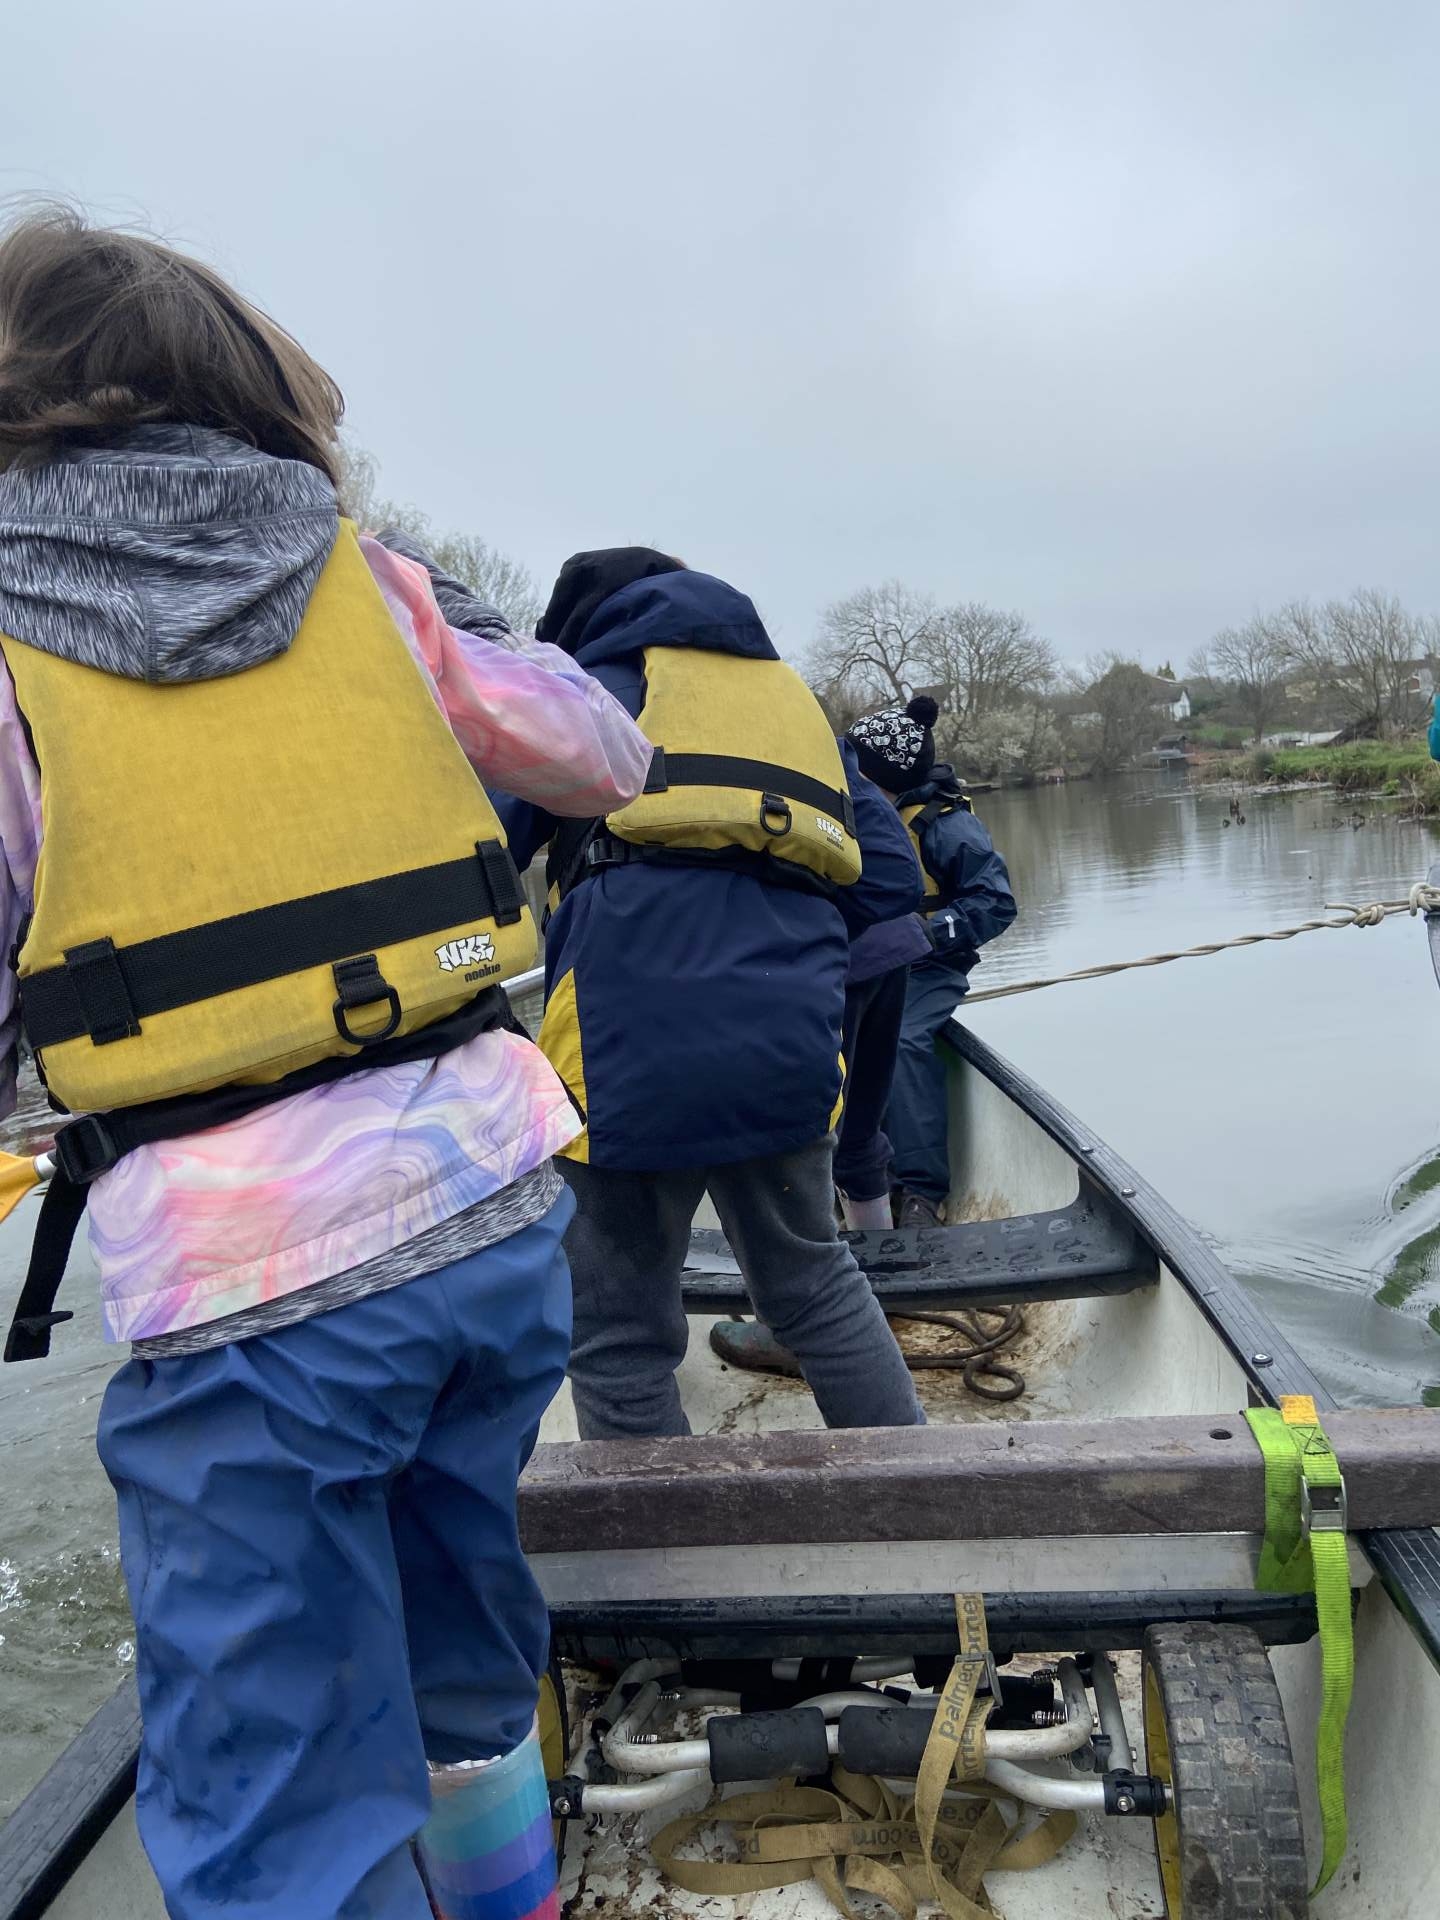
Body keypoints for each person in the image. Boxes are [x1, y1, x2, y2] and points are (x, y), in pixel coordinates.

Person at [0, 208, 653, 1920]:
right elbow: (604, 756)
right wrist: (454, 625)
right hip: (492, 1220)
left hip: (245, 1284)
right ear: (259, 394)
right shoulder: (372, 578)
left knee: (277, 1797)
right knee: (461, 1658)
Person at [496, 548, 927, 1440]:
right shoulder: (793, 706)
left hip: (624, 1046)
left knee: (616, 1336)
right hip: (789, 1041)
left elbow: (481, 852)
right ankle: (923, 1493)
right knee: (815, 1284)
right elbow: (889, 877)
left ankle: (660, 1529)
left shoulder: (579, 690)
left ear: (579, 629)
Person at [847, 696, 1017, 1227]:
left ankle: (921, 1192)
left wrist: (929, 931)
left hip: (928, 966)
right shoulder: (836, 807)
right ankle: (847, 1178)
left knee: (901, 1041)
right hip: (862, 962)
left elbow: (996, 902)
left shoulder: (945, 824)